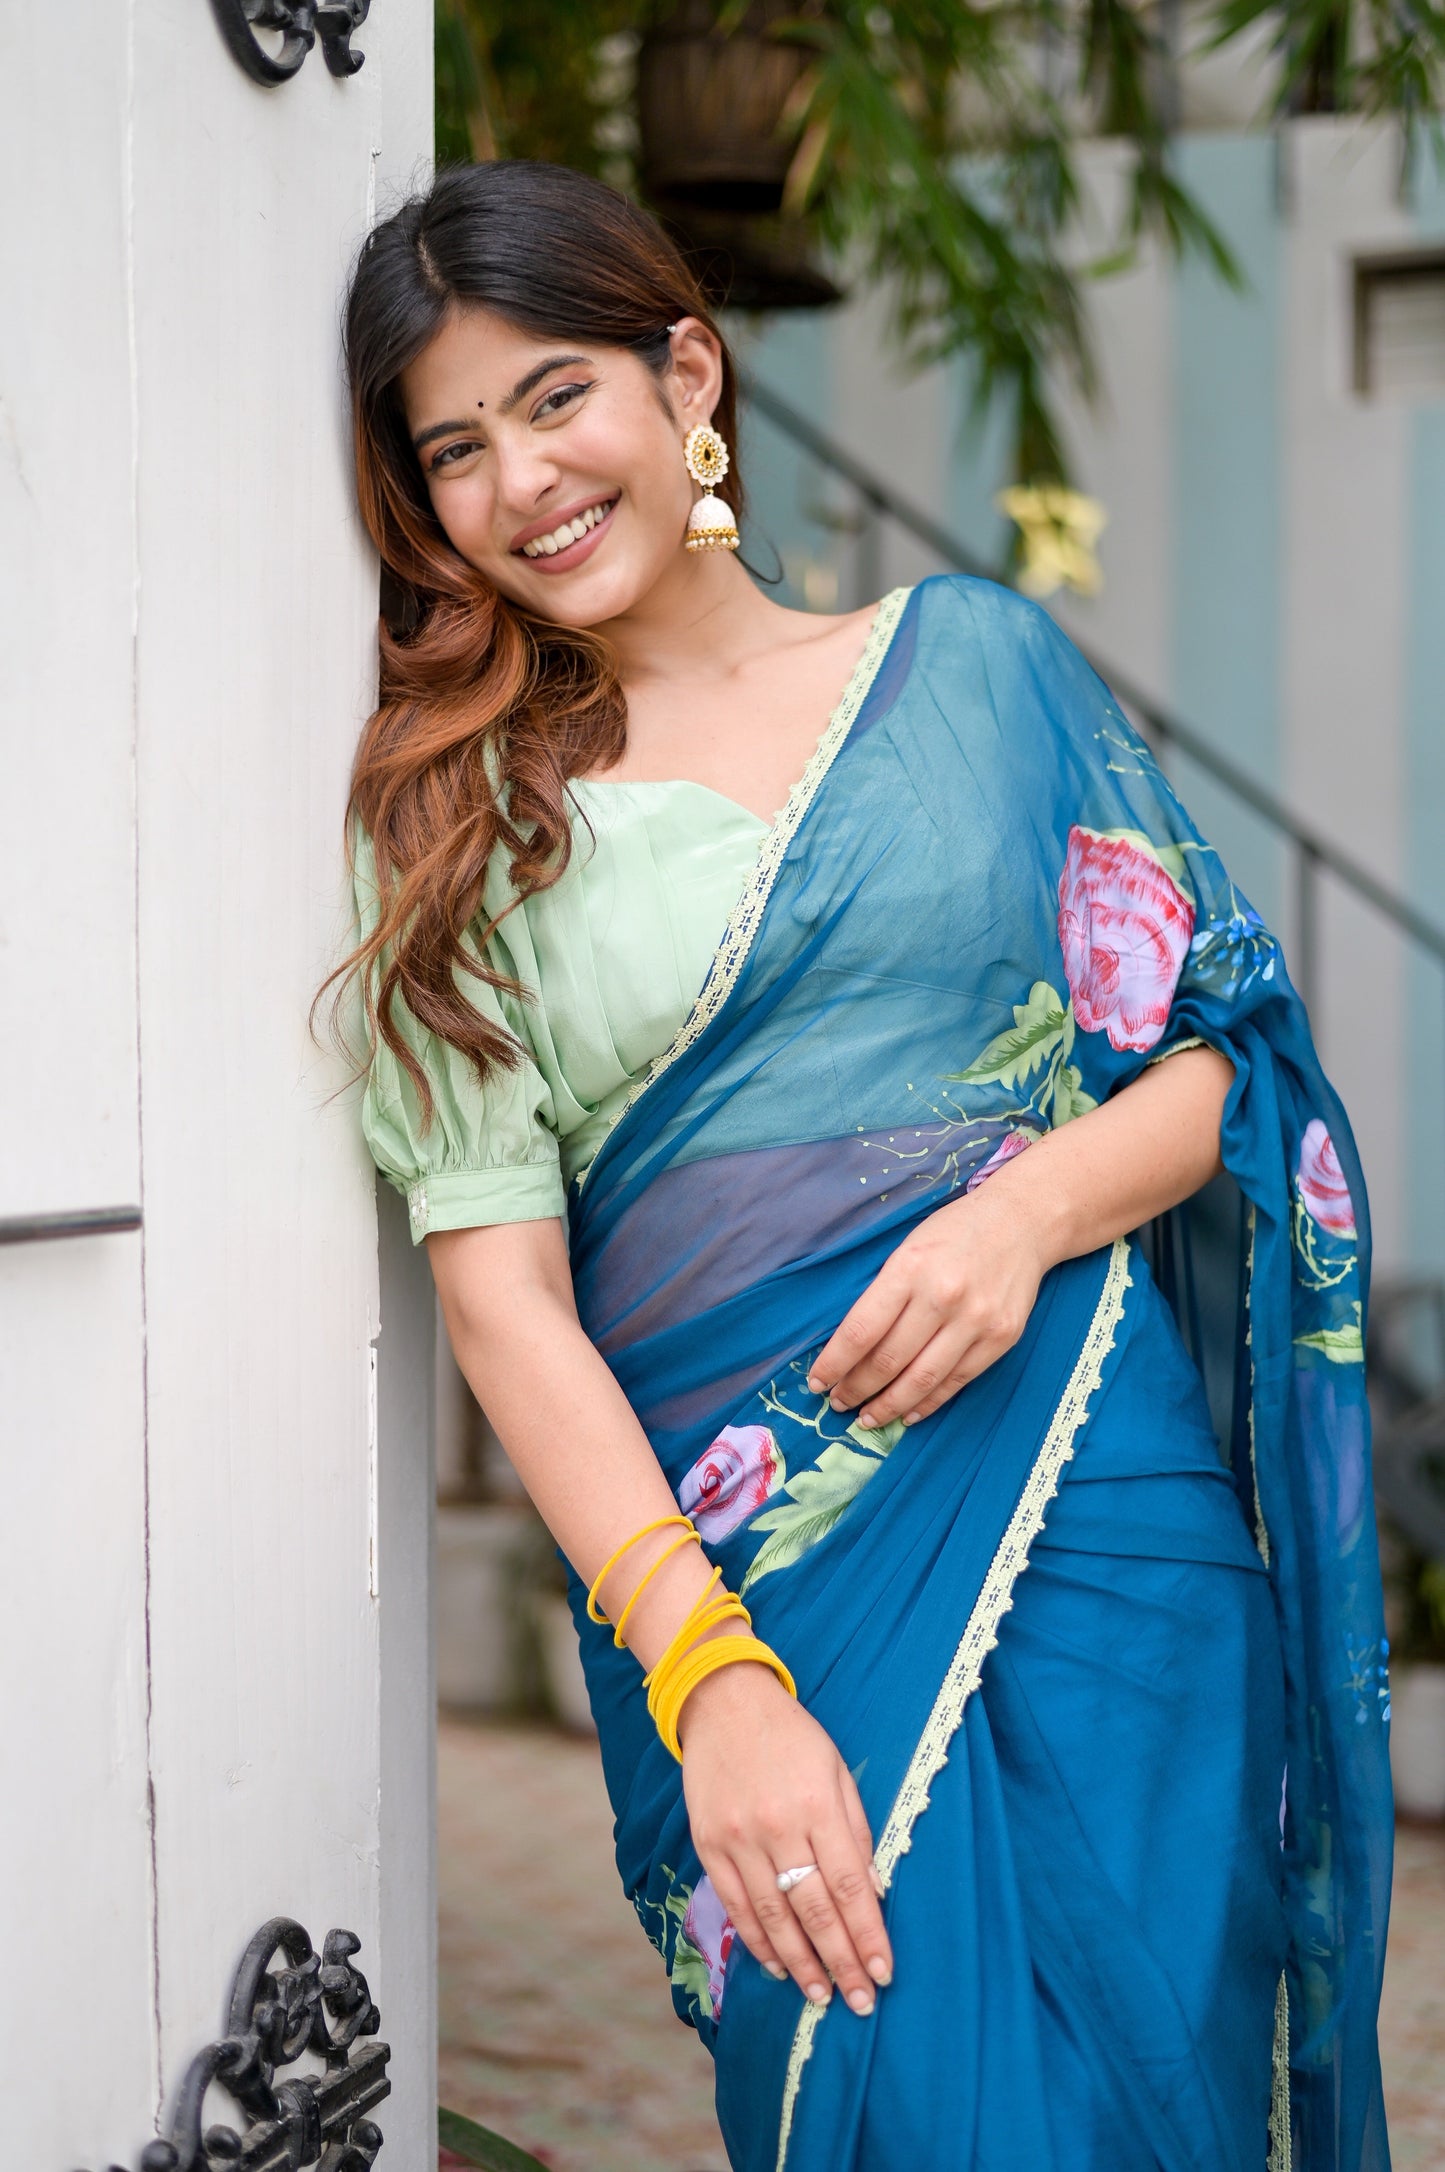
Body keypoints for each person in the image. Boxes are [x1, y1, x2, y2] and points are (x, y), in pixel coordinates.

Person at [328, 161, 1392, 2172]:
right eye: (454, 449)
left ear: (686, 377)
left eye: (555, 397)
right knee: (886, 2097)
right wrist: (710, 1681)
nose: (521, 480)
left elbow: (1219, 1064)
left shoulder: (976, 670)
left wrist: (1026, 1213)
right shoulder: (459, 821)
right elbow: (502, 1301)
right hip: (755, 1594)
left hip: (1111, 1535)